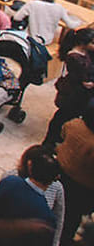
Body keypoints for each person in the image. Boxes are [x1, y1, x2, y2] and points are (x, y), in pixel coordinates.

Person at [47, 29, 94, 146]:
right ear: (83, 43)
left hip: (78, 92)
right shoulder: (75, 58)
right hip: (74, 93)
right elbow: (86, 83)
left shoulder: (85, 53)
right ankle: (50, 141)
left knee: (66, 116)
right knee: (64, 116)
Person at [58, 102, 94, 244]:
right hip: (82, 186)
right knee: (71, 218)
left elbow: (62, 134)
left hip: (61, 171)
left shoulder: (74, 124)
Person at [14, 0, 83, 45]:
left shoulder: (32, 4)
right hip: (47, 40)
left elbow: (17, 17)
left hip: (31, 37)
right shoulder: (59, 7)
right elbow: (71, 25)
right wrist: (80, 21)